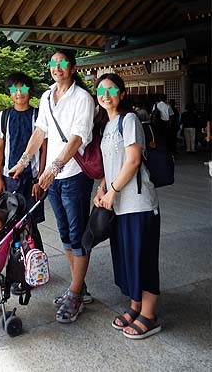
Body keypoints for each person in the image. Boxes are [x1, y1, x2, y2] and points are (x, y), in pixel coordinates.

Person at [9, 49, 95, 324]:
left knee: (78, 234)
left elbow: (77, 139)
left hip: (74, 174)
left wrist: (53, 168)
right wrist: (23, 162)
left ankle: (75, 292)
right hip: (53, 178)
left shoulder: (82, 98)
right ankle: (77, 288)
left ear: (72, 67)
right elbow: (40, 132)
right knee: (64, 234)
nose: (57, 67)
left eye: (62, 63)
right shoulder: (47, 96)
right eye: (53, 63)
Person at [94, 73, 161, 340]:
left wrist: (112, 191)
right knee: (127, 257)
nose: (105, 94)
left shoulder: (129, 119)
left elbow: (132, 161)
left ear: (122, 94)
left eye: (111, 90)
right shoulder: (107, 125)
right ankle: (135, 306)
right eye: (100, 90)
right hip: (119, 204)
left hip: (138, 203)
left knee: (143, 258)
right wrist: (102, 189)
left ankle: (150, 314)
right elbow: (112, 163)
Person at [0, 72, 46, 250]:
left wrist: (40, 177)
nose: (19, 93)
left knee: (31, 223)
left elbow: (44, 147)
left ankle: (36, 266)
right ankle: (15, 265)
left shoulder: (38, 116)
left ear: (30, 92)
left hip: (32, 179)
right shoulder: (3, 117)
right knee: (10, 222)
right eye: (14, 90)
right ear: (9, 94)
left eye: (23, 88)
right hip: (10, 178)